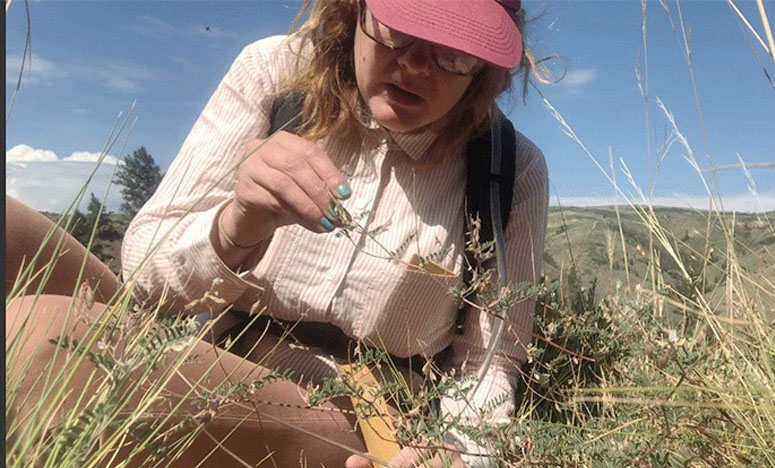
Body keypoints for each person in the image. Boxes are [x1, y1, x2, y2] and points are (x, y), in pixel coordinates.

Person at [8, 0, 549, 466]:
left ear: (485, 69)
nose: (412, 65)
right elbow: (143, 278)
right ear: (354, 9)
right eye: (397, 25)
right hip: (197, 334)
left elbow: (488, 361)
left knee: (46, 344)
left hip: (348, 408)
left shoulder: (507, 169)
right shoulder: (273, 75)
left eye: (452, 51)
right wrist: (235, 226)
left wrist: (459, 452)